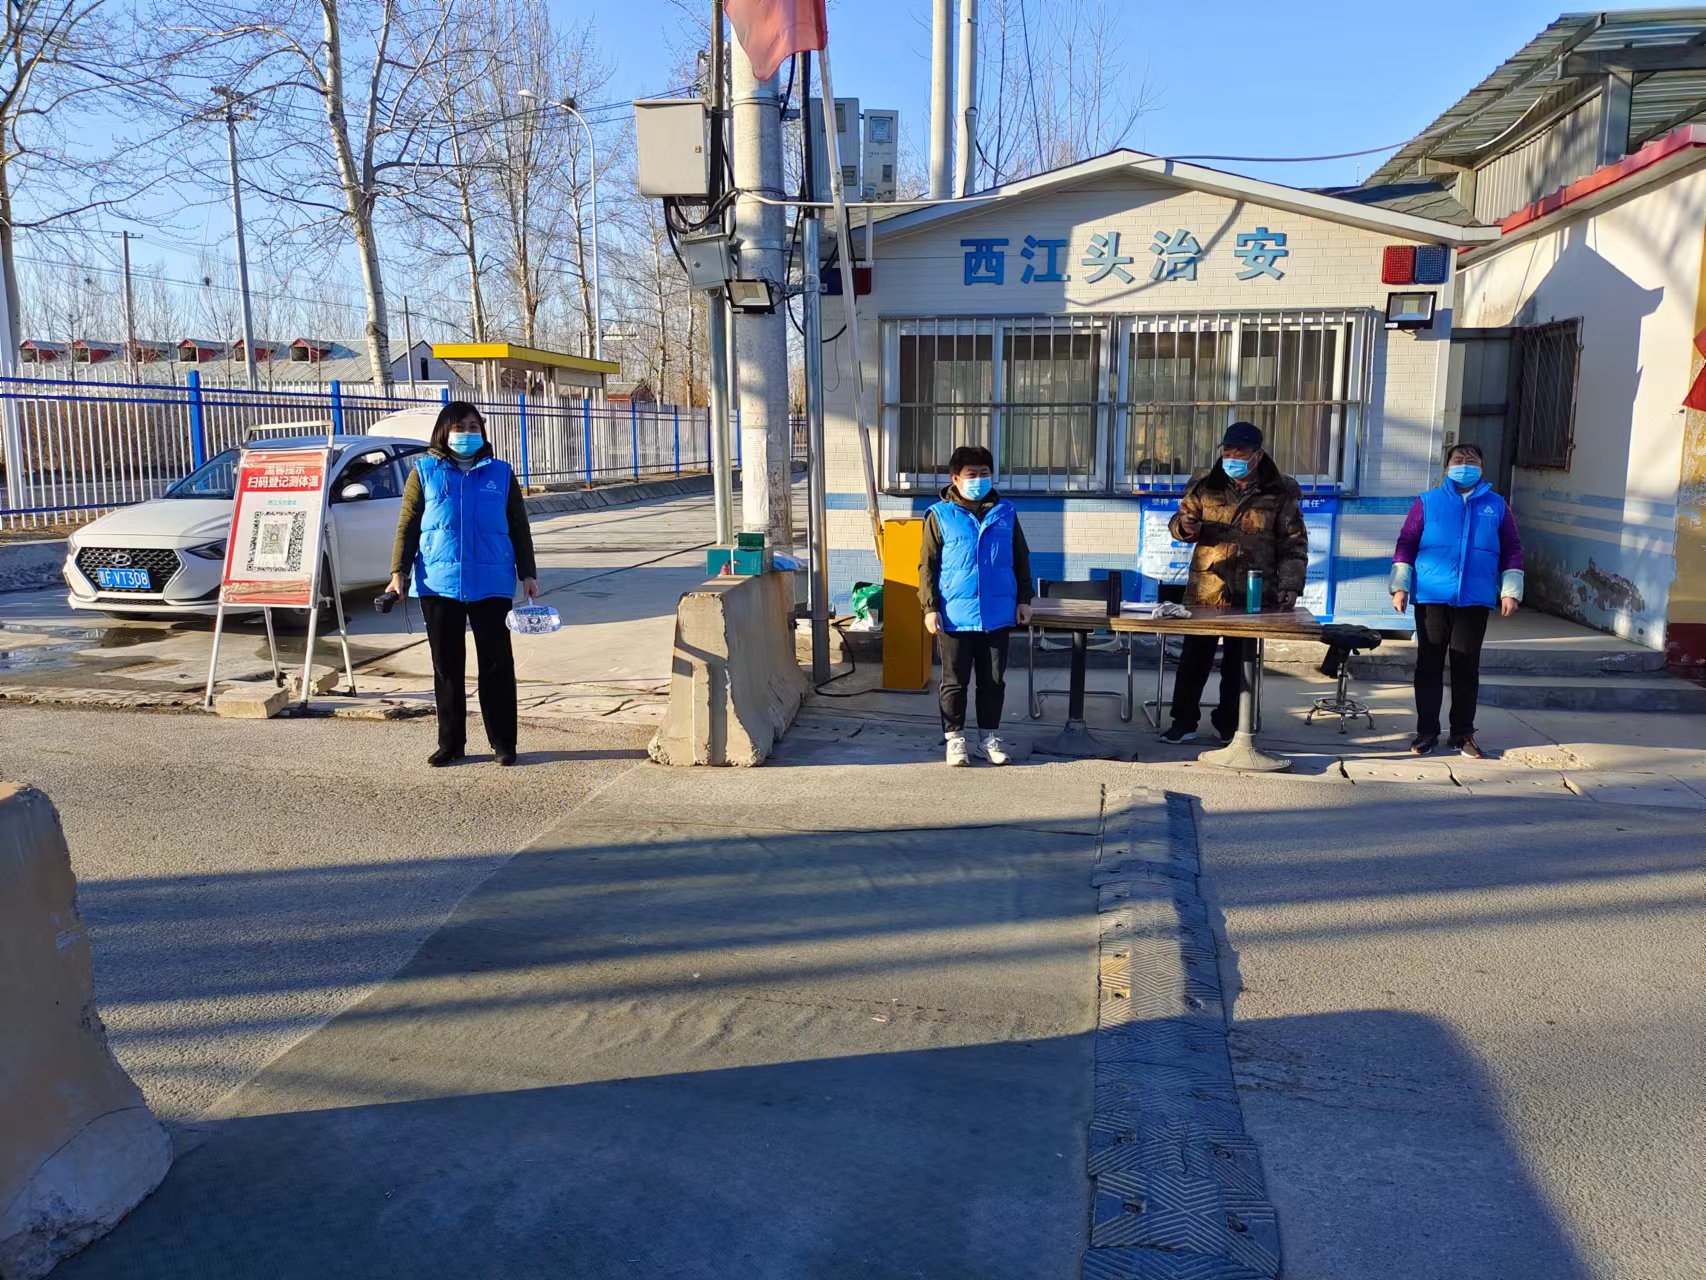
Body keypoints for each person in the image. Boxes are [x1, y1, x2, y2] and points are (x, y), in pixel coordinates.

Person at [388, 402, 539, 767]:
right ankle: (450, 743)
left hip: (492, 580)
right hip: (438, 583)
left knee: (497, 664)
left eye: (474, 427)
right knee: (447, 667)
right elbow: (408, 525)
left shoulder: (501, 473)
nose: (468, 433)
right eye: (460, 427)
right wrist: (398, 573)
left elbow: (518, 525)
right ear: (444, 431)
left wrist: (528, 573)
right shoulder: (423, 472)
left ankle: (503, 743)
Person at [1161, 421, 1308, 745]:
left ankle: (1230, 724)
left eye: (1239, 452)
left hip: (1254, 591)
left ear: (1258, 455)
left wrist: (1290, 585)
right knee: (1193, 661)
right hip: (1207, 589)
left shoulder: (1280, 491)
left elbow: (1294, 543)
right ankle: (1182, 721)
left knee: (1239, 664)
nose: (1231, 458)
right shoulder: (1205, 485)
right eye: (1227, 451)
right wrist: (1185, 526)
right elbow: (1179, 523)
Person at [1390, 442, 1523, 759]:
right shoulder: (1428, 502)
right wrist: (1400, 587)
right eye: (1459, 460)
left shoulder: (1497, 506)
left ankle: (1463, 734)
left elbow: (1512, 548)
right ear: (1447, 467)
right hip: (1432, 596)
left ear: (1482, 469)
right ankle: (1427, 732)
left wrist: (1510, 590)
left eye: (1472, 460)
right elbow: (1406, 543)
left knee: (1466, 666)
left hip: (1474, 599)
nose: (1465, 465)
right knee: (1429, 665)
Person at [919, 445, 1034, 767]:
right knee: (954, 682)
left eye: (985, 473)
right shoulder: (939, 515)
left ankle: (988, 739)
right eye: (972, 474)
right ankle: (955, 739)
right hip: (954, 615)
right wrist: (930, 607)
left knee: (993, 681)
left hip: (998, 614)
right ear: (955, 478)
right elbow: (927, 565)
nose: (979, 480)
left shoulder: (1006, 512)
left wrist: (1024, 599)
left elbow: (1021, 558)